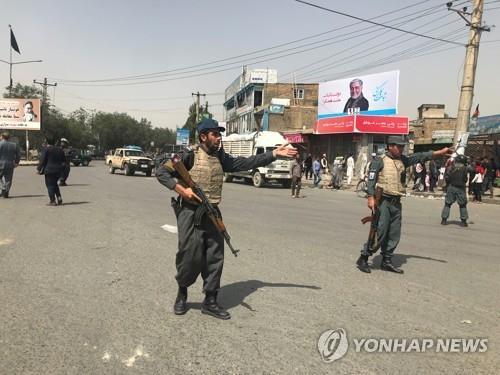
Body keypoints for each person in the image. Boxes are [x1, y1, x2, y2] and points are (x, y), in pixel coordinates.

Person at [156, 118, 297, 320]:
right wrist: (182, 190)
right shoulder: (188, 156)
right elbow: (161, 172)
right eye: (214, 134)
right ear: (203, 136)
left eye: (219, 134)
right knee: (189, 255)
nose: (218, 137)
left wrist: (273, 154)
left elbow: (247, 162)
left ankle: (210, 300)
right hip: (189, 211)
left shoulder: (221, 158)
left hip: (212, 212)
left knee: (215, 257)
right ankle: (182, 293)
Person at [356, 135, 451, 274]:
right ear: (390, 146)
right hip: (383, 202)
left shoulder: (403, 160)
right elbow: (371, 180)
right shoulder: (379, 161)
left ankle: (386, 260)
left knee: (394, 233)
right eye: (398, 146)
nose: (401, 149)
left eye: (402, 147)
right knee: (380, 232)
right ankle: (363, 258)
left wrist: (439, 153)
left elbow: (421, 156)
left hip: (396, 203)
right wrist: (370, 197)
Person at [37, 137, 67, 206]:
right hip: (58, 171)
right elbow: (64, 161)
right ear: (55, 142)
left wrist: (39, 169)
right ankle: (59, 198)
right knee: (55, 184)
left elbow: (43, 160)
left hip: (49, 170)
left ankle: (52, 201)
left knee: (50, 185)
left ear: (47, 142)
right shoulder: (60, 150)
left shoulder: (47, 149)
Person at [441, 155, 469, 227]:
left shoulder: (451, 167)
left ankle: (444, 220)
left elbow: (447, 178)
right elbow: (465, 179)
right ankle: (463, 221)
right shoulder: (465, 168)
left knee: (447, 204)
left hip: (451, 187)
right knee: (462, 205)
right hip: (461, 188)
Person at [0, 131, 21, 198]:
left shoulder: (0, 144)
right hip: (10, 164)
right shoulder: (14, 145)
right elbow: (18, 154)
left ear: (2, 137)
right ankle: (6, 191)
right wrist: (17, 162)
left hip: (0, 163)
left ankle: (3, 188)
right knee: (8, 179)